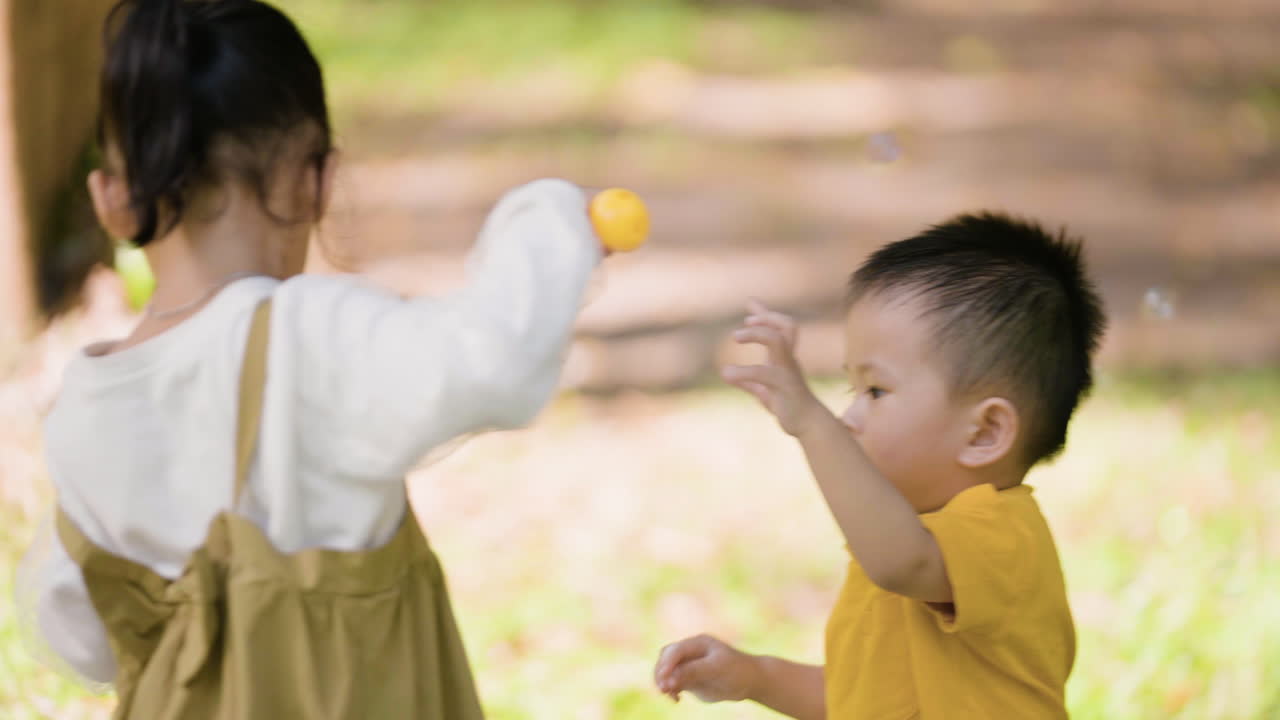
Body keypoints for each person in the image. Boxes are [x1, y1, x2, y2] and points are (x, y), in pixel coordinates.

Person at [16, 0, 605, 717]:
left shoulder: (84, 403)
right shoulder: (308, 336)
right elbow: (494, 362)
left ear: (112, 200)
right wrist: (549, 221)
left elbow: (74, 636)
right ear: (316, 180)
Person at [654, 213, 1107, 719]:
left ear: (984, 433)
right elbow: (864, 700)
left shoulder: (1000, 538)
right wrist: (755, 676)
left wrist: (811, 422)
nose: (849, 418)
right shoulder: (904, 548)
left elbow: (899, 563)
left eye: (876, 391)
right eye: (853, 391)